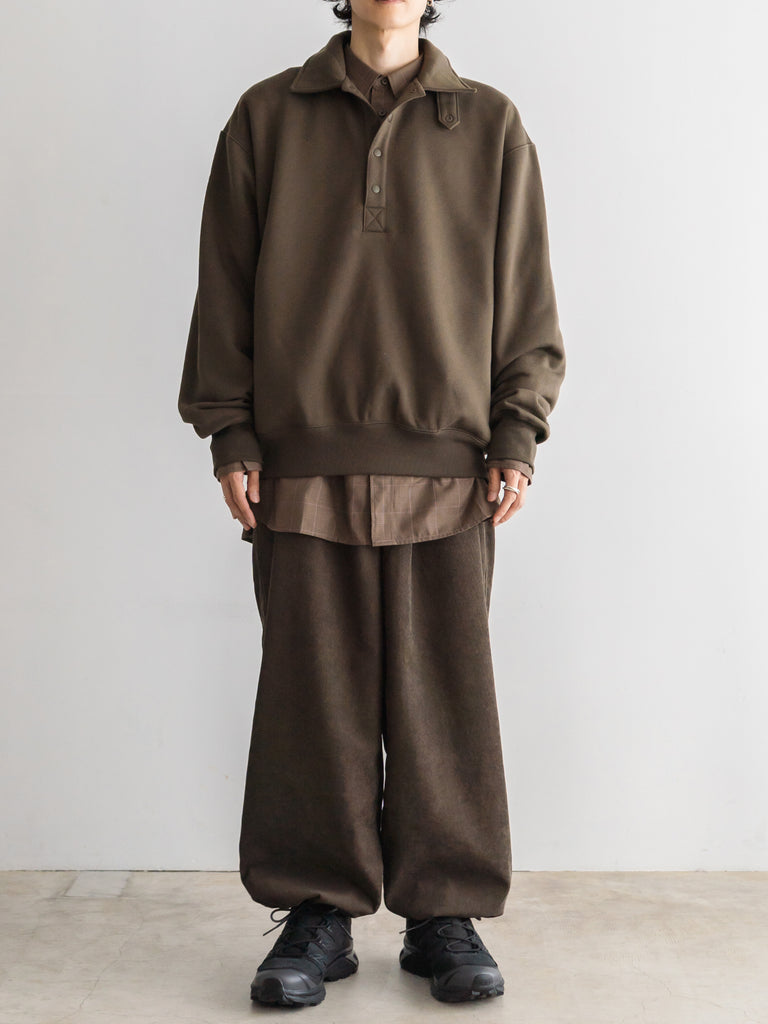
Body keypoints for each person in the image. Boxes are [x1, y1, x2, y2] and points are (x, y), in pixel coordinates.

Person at [177, 0, 566, 1008]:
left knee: (446, 701)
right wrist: (231, 432)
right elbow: (224, 285)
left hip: (452, 467)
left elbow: (526, 294)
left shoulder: (490, 123)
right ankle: (319, 911)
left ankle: (445, 913)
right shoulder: (266, 117)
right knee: (312, 700)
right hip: (300, 463)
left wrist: (518, 431)